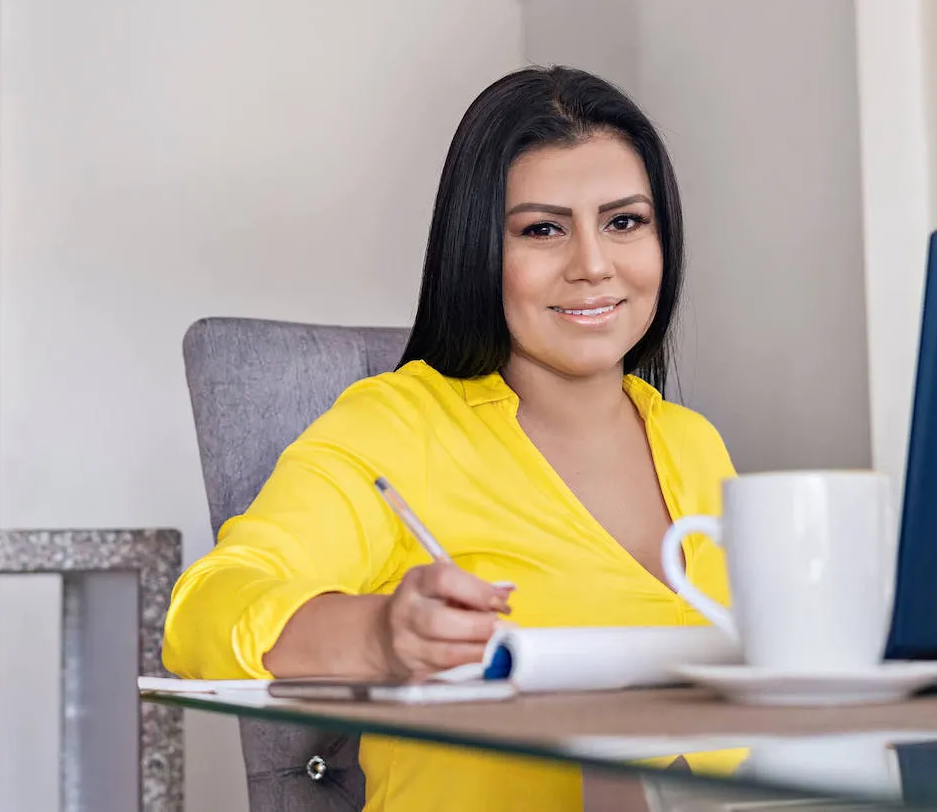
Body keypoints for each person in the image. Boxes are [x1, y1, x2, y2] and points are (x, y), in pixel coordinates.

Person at [161, 66, 738, 811]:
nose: (594, 264)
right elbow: (200, 612)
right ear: (478, 251)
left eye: (625, 221)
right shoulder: (400, 427)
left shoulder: (695, 444)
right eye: (542, 229)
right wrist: (382, 637)